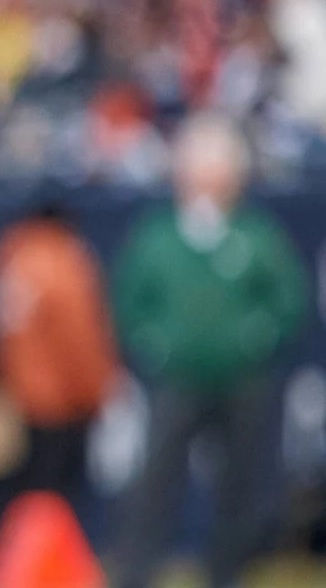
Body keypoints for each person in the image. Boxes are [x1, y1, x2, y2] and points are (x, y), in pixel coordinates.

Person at [110, 114, 309, 588]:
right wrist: (156, 346)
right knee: (156, 481)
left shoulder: (255, 234)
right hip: (177, 378)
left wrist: (254, 339)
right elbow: (130, 301)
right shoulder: (159, 236)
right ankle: (136, 572)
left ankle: (227, 572)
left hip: (242, 379)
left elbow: (287, 299)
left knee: (240, 485)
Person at [0, 202, 117, 503]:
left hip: (15, 396)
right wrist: (97, 391)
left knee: (23, 492)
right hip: (61, 400)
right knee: (56, 495)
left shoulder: (11, 256)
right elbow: (78, 337)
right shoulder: (61, 262)